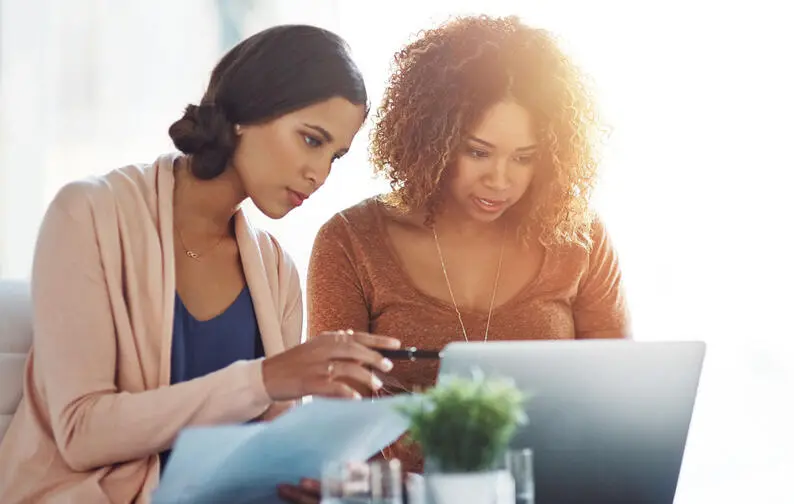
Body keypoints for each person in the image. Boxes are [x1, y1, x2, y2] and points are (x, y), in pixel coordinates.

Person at [0, 25, 400, 504]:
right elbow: (81, 432)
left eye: (335, 156)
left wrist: (307, 478)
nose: (319, 174)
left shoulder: (277, 271)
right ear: (247, 113)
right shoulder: (87, 213)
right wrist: (267, 378)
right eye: (311, 140)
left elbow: (268, 448)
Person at [307, 15, 631, 472]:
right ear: (429, 138)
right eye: (477, 151)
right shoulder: (350, 242)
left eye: (524, 158)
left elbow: (619, 402)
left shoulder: (578, 236)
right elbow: (332, 426)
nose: (499, 181)